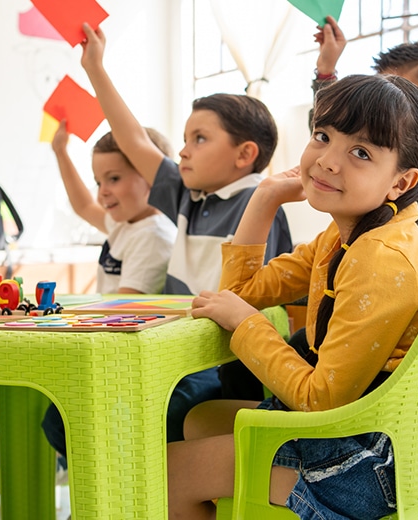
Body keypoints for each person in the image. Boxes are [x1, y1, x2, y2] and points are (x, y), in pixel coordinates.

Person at [169, 73, 418, 519]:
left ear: (400, 184)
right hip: (363, 430)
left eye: (361, 152)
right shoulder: (346, 236)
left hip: (366, 460)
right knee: (199, 419)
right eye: (322, 136)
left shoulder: (382, 256)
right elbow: (238, 293)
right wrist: (265, 199)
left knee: (174, 473)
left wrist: (248, 325)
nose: (328, 161)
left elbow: (321, 400)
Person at [77, 23, 293, 444]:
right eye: (184, 139)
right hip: (173, 352)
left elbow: (255, 308)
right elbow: (133, 139)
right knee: (88, 403)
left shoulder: (261, 205)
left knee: (142, 412)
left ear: (244, 154)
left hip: (221, 367)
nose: (182, 151)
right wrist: (96, 69)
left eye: (199, 139)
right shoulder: (188, 197)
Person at [0, 121, 178, 494]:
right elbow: (82, 204)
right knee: (28, 376)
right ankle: (52, 462)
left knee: (57, 402)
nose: (102, 192)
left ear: (153, 177)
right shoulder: (127, 223)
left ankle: (67, 466)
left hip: (124, 356)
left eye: (114, 179)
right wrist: (60, 152)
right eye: (99, 180)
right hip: (107, 341)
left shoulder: (152, 234)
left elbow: (124, 307)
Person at [306, 16, 418, 402]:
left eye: (407, 96)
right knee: (279, 349)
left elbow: (384, 272)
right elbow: (340, 130)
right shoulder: (366, 173)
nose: (389, 109)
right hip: (368, 320)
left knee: (294, 356)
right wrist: (326, 72)